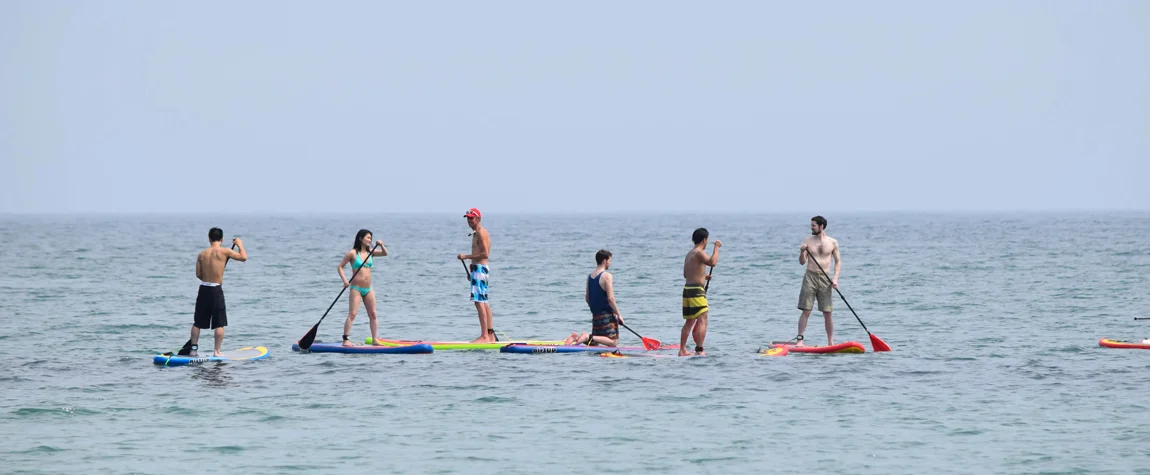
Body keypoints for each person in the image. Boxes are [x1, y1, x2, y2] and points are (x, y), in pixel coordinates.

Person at [182, 227, 246, 357]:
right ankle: (217, 352)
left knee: (197, 322)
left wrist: (207, 278)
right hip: (216, 289)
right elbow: (243, 257)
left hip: (204, 289)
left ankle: (193, 350)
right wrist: (239, 244)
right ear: (221, 239)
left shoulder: (202, 254)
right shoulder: (225, 251)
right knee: (219, 323)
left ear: (209, 239)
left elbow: (198, 274)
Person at [795, 215, 840, 347]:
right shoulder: (808, 240)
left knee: (827, 312)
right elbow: (802, 262)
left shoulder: (832, 242)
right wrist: (802, 252)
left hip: (825, 279)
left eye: (813, 225)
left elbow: (838, 262)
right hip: (810, 277)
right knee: (806, 310)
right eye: (811, 225)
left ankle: (831, 342)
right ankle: (800, 340)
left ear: (821, 227)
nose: (811, 227)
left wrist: (835, 278)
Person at [338, 229, 388, 346]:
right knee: (353, 314)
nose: (369, 240)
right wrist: (345, 281)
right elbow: (340, 267)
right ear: (360, 238)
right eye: (367, 237)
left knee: (373, 314)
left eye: (371, 238)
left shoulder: (371, 252)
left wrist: (382, 245)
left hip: (368, 288)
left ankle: (375, 340)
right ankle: (345, 340)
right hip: (356, 288)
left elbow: (385, 254)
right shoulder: (352, 253)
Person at [564, 250, 622, 347]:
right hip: (606, 314)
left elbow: (587, 298)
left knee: (595, 343)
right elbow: (610, 298)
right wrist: (618, 314)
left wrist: (595, 309)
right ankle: (586, 337)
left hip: (595, 313)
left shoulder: (590, 276)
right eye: (610, 261)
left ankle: (576, 338)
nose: (610, 263)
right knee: (613, 343)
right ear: (604, 261)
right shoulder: (607, 276)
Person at [680, 228, 720, 356]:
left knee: (689, 321)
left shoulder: (689, 253)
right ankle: (699, 350)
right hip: (697, 291)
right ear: (704, 240)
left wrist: (703, 277)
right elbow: (712, 262)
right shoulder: (699, 252)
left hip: (687, 290)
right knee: (703, 319)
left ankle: (682, 350)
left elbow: (687, 275)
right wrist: (717, 248)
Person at [457, 208, 494, 343]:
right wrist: (472, 267)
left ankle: (484, 336)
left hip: (480, 269)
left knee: (479, 302)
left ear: (478, 219)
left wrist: (466, 257)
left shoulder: (480, 233)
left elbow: (485, 254)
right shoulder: (477, 233)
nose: (469, 220)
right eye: (468, 218)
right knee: (484, 302)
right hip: (478, 269)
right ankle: (490, 335)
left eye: (471, 218)